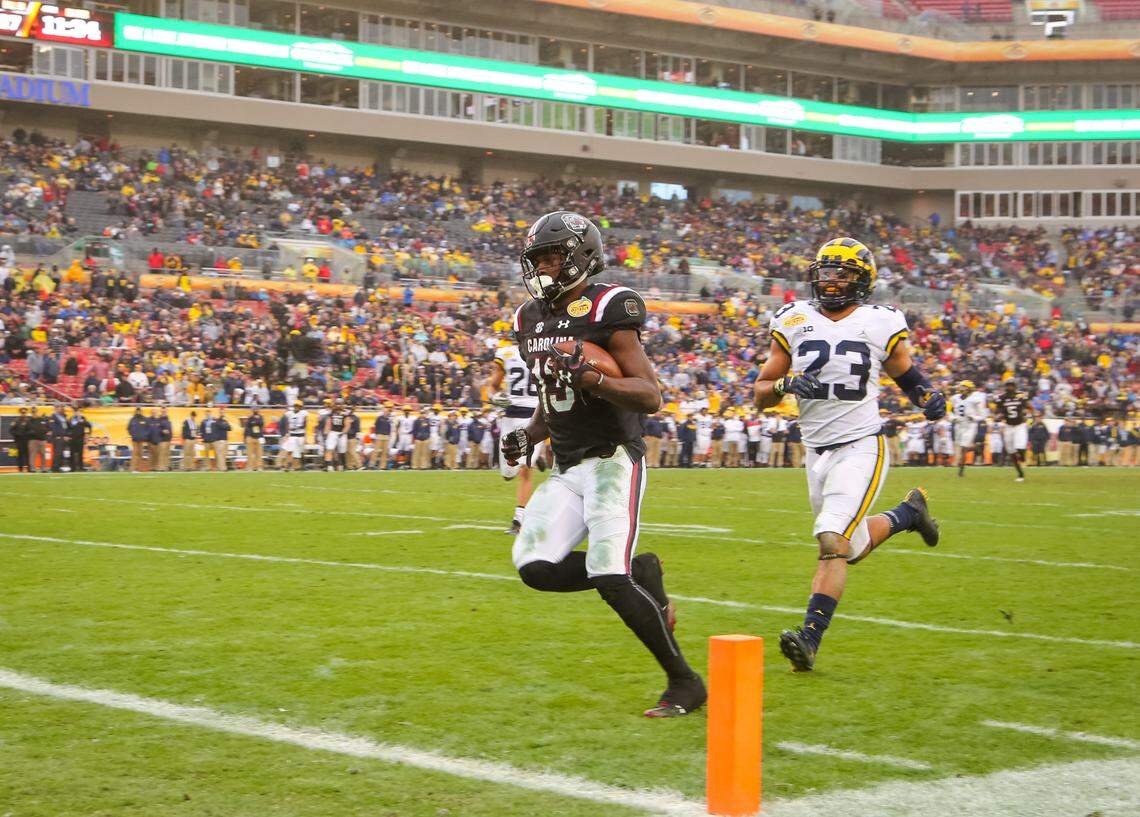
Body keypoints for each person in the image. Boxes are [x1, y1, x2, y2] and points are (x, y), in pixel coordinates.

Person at [502, 210, 705, 717]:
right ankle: (642, 572)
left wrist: (597, 382)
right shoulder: (529, 319)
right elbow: (553, 398)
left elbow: (649, 395)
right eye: (538, 259)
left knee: (608, 575)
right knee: (535, 566)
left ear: (582, 256)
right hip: (567, 466)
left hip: (614, 460)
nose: (545, 267)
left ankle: (684, 682)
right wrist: (528, 436)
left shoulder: (611, 305)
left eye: (554, 256)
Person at [753, 237, 946, 672]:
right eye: (826, 271)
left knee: (831, 540)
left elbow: (908, 376)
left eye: (843, 272)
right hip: (814, 451)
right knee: (852, 548)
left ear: (863, 280)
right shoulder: (793, 319)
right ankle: (908, 515)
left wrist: (928, 398)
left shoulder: (881, 322)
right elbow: (761, 392)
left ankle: (809, 639)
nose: (833, 279)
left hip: (861, 444)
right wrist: (784, 387)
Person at [485, 338, 547, 533]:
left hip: (534, 417)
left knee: (524, 469)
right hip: (511, 417)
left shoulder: (546, 350)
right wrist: (494, 397)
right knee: (508, 473)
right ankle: (537, 456)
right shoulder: (505, 354)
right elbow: (492, 386)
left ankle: (519, 519)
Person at [950, 380, 988, 477]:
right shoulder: (954, 398)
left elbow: (983, 415)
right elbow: (949, 411)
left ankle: (961, 471)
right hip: (959, 424)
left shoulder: (975, 399)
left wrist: (974, 417)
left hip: (970, 425)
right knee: (960, 445)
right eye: (961, 386)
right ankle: (977, 447)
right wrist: (953, 418)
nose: (962, 389)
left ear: (969, 389)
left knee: (963, 447)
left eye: (965, 387)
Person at [280, 400, 309, 471]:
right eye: (296, 406)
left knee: (301, 451)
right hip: (292, 435)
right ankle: (287, 466)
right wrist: (287, 431)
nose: (296, 407)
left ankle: (303, 465)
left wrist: (296, 428)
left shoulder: (303, 413)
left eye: (298, 406)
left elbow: (304, 425)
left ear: (301, 407)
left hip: (301, 435)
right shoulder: (289, 413)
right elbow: (284, 422)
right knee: (290, 450)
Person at [323, 401, 348, 471]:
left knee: (341, 451)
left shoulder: (345, 415)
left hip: (341, 433)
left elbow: (347, 425)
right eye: (337, 404)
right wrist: (326, 433)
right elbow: (328, 424)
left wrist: (343, 432)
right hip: (333, 432)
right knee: (329, 449)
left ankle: (341, 465)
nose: (338, 406)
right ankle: (329, 466)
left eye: (339, 404)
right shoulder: (331, 414)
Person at [68, 407, 91, 472]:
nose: (77, 413)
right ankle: (72, 468)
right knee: (72, 453)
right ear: (74, 412)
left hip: (80, 438)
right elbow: (68, 428)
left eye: (78, 411)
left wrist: (88, 435)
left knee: (80, 454)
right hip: (72, 439)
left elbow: (89, 426)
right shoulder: (71, 419)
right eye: (75, 412)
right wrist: (68, 435)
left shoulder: (83, 418)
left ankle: (81, 467)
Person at [128, 407, 151, 472]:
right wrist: (132, 434)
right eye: (137, 411)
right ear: (135, 412)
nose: (138, 412)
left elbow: (148, 428)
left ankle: (140, 468)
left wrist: (145, 435)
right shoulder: (132, 419)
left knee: (141, 453)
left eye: (139, 411)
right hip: (134, 439)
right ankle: (133, 468)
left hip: (141, 440)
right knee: (135, 454)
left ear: (141, 411)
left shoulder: (145, 419)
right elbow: (128, 428)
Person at [48, 404, 69, 472]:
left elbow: (65, 427)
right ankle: (54, 468)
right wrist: (56, 435)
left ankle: (59, 467)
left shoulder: (63, 416)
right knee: (57, 453)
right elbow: (52, 427)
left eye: (61, 407)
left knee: (61, 453)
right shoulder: (53, 416)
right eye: (58, 407)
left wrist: (66, 435)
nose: (60, 409)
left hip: (63, 437)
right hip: (58, 437)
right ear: (55, 408)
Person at [152, 406, 173, 471]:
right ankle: (161, 467)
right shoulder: (159, 419)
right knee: (161, 454)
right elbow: (156, 428)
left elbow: (170, 429)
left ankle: (166, 467)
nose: (164, 412)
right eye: (163, 411)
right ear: (161, 411)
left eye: (165, 411)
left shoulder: (168, 419)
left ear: (167, 411)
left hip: (168, 439)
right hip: (162, 439)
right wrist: (162, 431)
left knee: (167, 454)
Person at [371, 405, 392, 470]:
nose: (387, 412)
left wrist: (389, 435)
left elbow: (389, 428)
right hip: (379, 435)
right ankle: (372, 464)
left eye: (388, 411)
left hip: (386, 436)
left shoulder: (389, 419)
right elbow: (375, 426)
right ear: (383, 411)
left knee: (385, 452)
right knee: (376, 451)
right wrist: (376, 434)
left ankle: (382, 466)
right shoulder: (379, 418)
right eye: (385, 411)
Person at [11, 407, 31, 472]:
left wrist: (27, 434)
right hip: (19, 440)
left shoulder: (28, 421)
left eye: (25, 413)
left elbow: (31, 430)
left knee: (28, 455)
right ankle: (20, 469)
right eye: (22, 412)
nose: (23, 414)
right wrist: (17, 435)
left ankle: (29, 468)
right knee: (20, 455)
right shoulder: (16, 421)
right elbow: (11, 430)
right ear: (20, 413)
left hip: (27, 440)